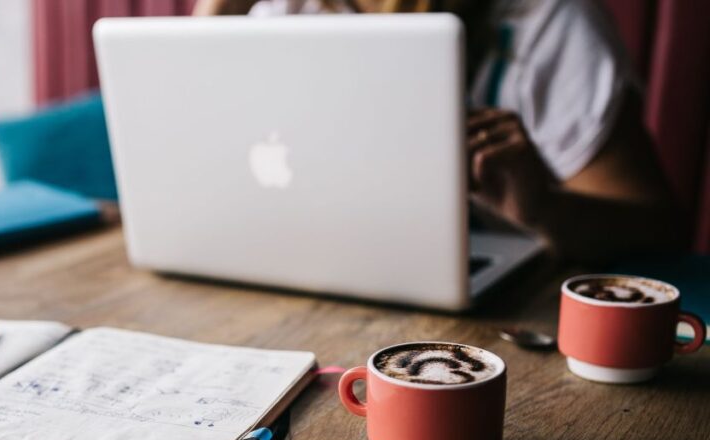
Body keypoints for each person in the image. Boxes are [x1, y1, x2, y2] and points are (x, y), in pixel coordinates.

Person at [193, 0, 682, 263]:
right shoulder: (286, 11)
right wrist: (217, 12)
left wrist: (542, 210)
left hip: (502, 317)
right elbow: (191, 140)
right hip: (303, 271)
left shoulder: (547, 20)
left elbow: (658, 229)